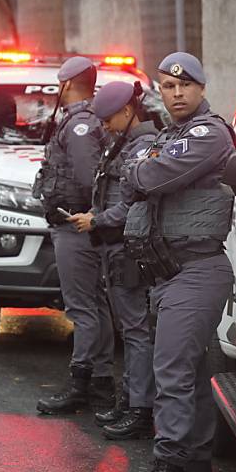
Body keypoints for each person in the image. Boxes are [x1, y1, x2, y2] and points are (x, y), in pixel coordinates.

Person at [124, 53, 236, 472]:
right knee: (189, 371)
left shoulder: (209, 134)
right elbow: (132, 177)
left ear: (201, 88)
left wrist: (141, 170)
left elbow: (149, 177)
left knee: (171, 372)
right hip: (168, 274)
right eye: (168, 87)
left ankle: (169, 460)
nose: (176, 93)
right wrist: (140, 169)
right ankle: (195, 459)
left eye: (184, 86)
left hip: (197, 269)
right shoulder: (170, 134)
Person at [67, 80, 159, 440]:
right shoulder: (123, 143)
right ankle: (130, 400)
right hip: (116, 246)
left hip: (128, 247)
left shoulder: (142, 146)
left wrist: (97, 220)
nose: (103, 127)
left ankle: (141, 409)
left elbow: (133, 202)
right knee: (130, 329)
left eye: (108, 119)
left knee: (136, 331)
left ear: (127, 111)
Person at [33, 56, 115, 414]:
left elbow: (88, 178)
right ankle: (100, 383)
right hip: (82, 227)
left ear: (67, 84)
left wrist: (90, 216)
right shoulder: (87, 119)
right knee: (94, 307)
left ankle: (83, 385)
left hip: (76, 227)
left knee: (83, 309)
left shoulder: (80, 124)